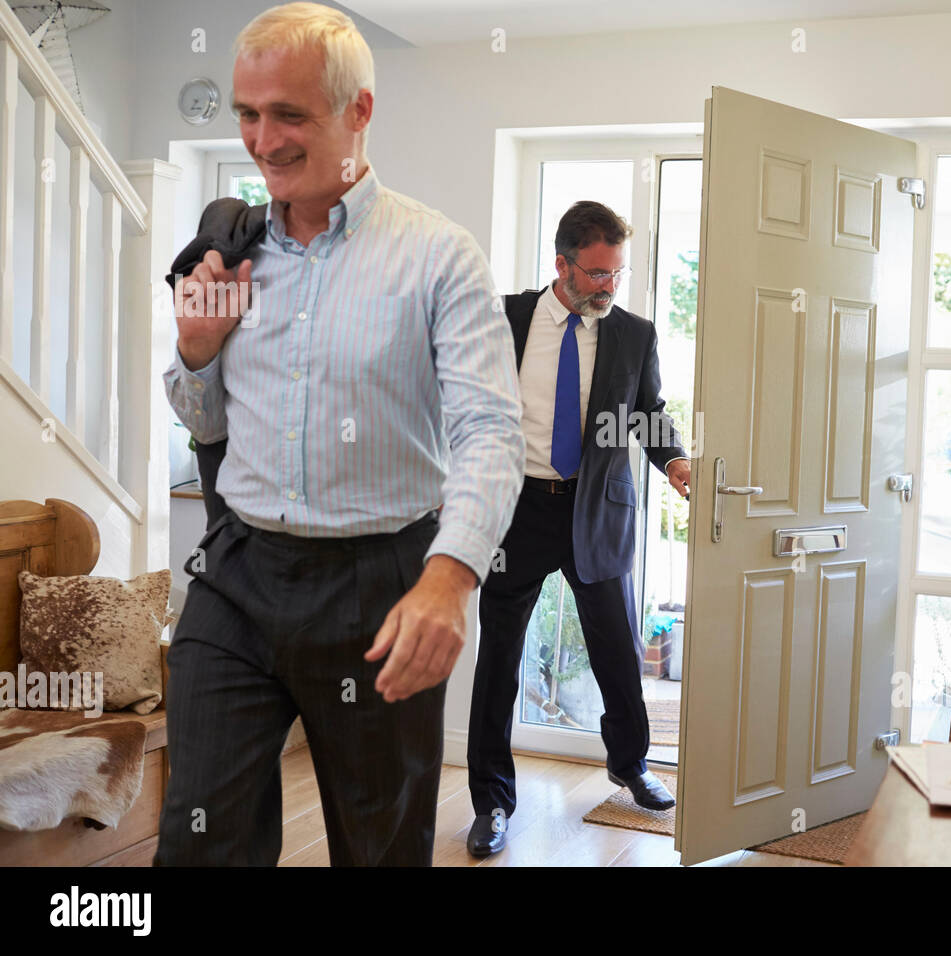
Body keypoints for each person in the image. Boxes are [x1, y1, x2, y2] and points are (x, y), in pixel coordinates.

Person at [156, 2, 524, 866]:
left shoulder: (440, 256)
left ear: (359, 110)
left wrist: (450, 577)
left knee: (379, 844)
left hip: (380, 583)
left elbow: (490, 431)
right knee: (197, 838)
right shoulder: (234, 254)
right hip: (236, 576)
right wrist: (197, 352)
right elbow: (208, 425)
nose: (261, 139)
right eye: (248, 113)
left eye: (290, 114)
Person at [466, 201, 691, 856]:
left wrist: (674, 459)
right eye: (596, 273)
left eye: (616, 273)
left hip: (595, 510)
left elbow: (648, 411)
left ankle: (630, 764)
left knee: (619, 651)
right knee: (498, 663)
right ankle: (492, 802)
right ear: (560, 264)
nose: (608, 285)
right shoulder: (503, 319)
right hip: (517, 510)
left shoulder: (633, 335)